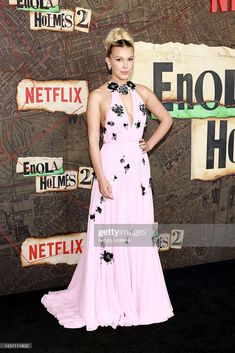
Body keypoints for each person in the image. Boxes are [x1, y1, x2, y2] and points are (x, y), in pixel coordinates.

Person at [41, 27, 174, 331]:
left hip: (138, 172)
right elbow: (92, 141)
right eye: (119, 59)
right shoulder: (97, 96)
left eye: (129, 59)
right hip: (111, 168)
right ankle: (108, 299)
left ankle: (137, 298)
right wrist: (100, 177)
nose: (125, 65)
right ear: (107, 61)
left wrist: (149, 144)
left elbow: (166, 119)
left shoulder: (142, 92)